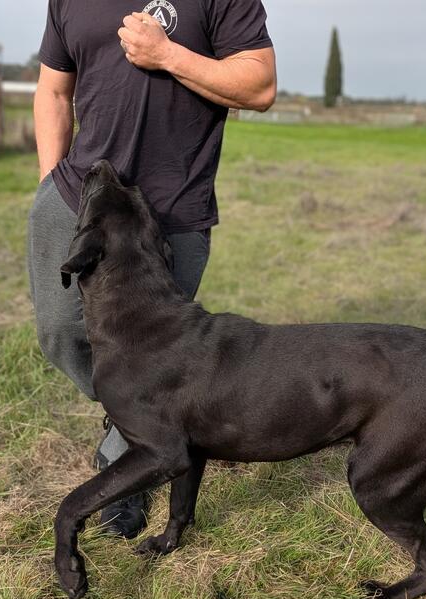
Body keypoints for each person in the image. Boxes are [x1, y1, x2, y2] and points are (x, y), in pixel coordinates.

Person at [28, 0, 276, 538]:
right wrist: (51, 182)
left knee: (154, 358)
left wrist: (167, 56)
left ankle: (127, 456)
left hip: (172, 211)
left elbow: (259, 86)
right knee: (59, 331)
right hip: (78, 197)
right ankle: (129, 408)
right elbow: (54, 90)